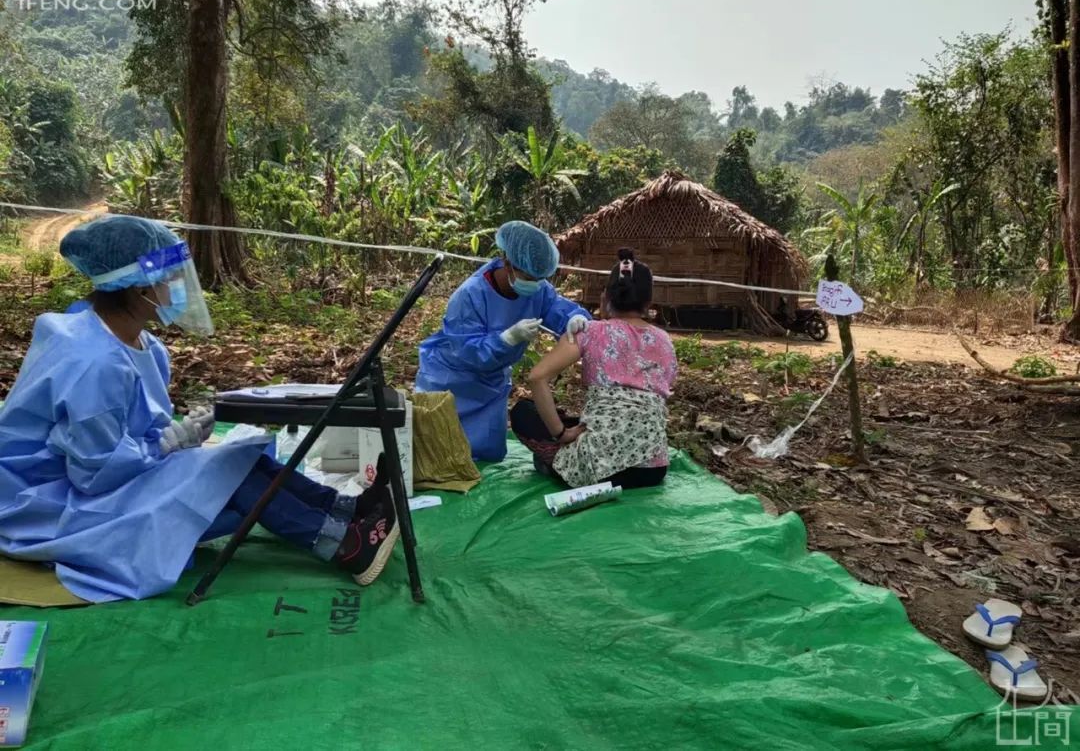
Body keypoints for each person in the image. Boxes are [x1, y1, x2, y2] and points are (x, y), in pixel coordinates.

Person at [0, 215, 398, 602]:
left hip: (94, 476)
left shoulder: (137, 343)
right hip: (46, 503)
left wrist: (178, 436)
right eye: (168, 277)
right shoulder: (93, 362)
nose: (177, 286)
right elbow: (93, 472)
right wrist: (166, 447)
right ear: (135, 286)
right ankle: (343, 544)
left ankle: (344, 508)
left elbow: (134, 427)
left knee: (240, 456)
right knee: (226, 472)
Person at [415, 220, 590, 462]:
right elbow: (466, 350)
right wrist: (506, 338)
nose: (535, 285)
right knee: (439, 456)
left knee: (487, 456)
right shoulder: (470, 295)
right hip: (450, 381)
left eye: (540, 279)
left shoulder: (539, 288)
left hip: (491, 384)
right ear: (507, 263)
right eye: (528, 277)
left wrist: (575, 318)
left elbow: (558, 309)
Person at [511, 248, 676, 489]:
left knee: (524, 412)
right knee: (580, 420)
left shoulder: (591, 331)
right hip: (652, 470)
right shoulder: (664, 340)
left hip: (598, 469)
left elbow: (537, 378)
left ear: (605, 297)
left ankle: (556, 462)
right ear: (649, 302)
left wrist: (561, 434)